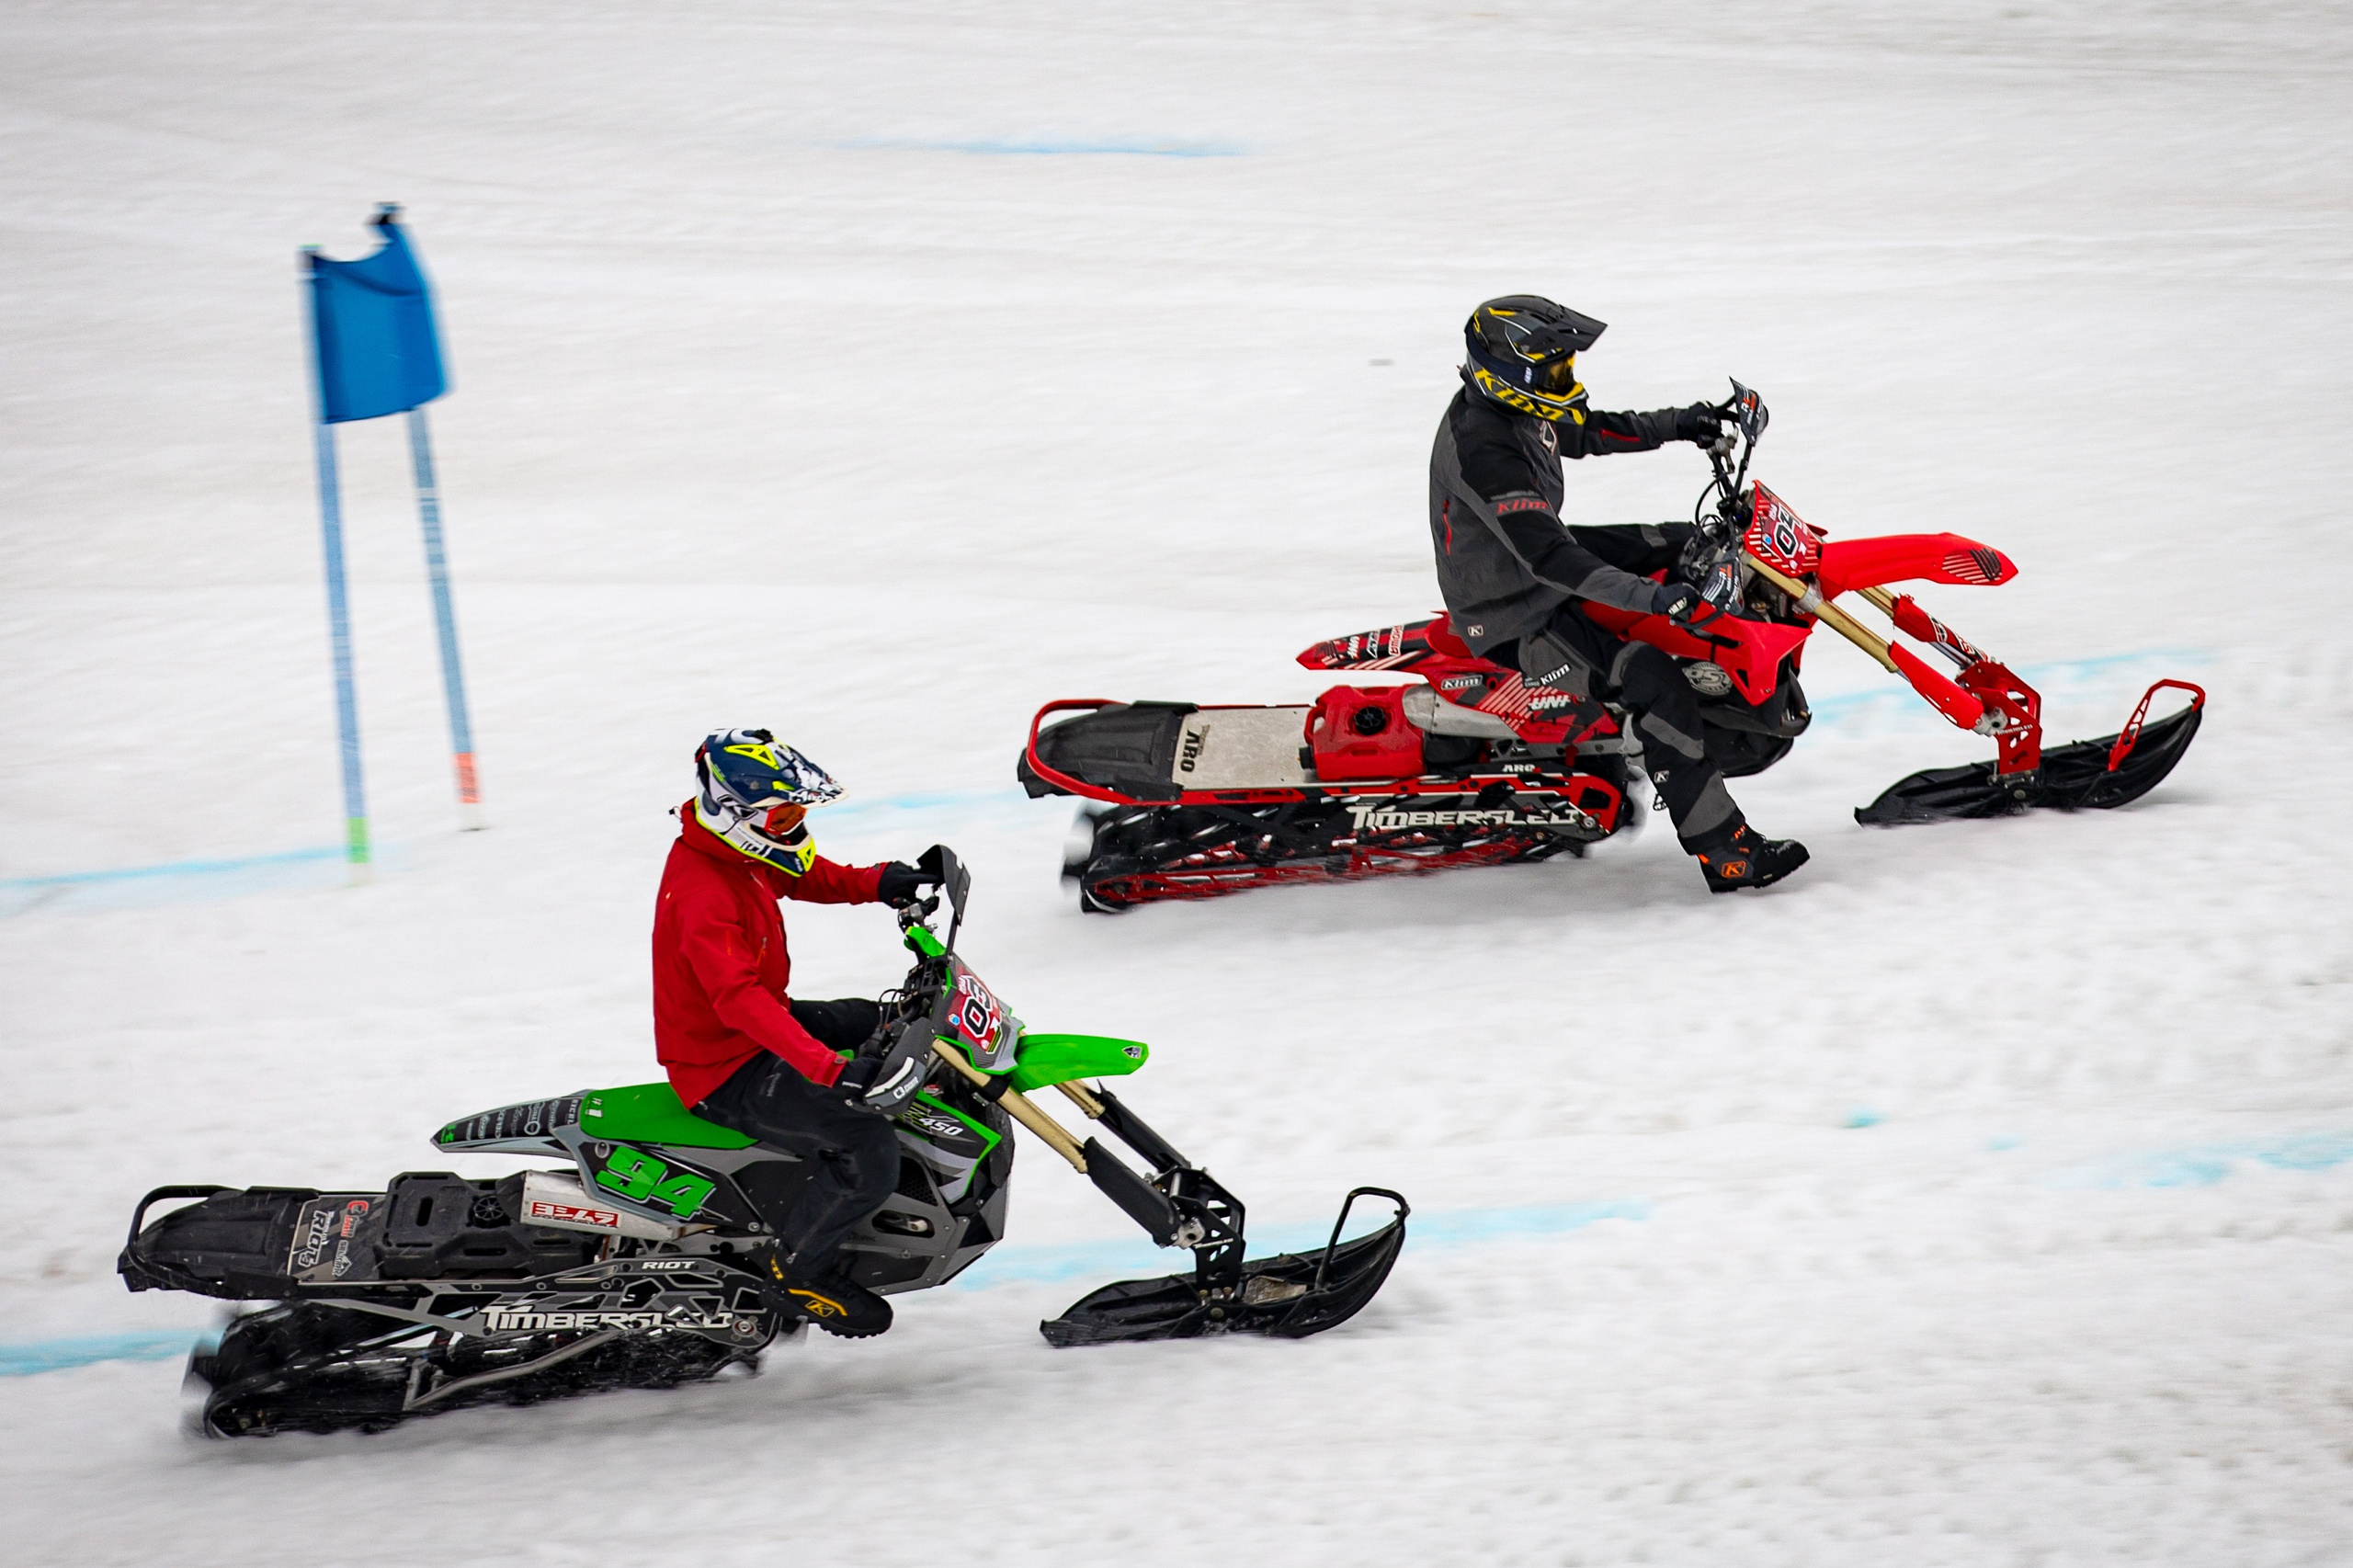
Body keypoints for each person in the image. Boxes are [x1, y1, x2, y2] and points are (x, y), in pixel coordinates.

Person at [1427, 295, 1808, 893]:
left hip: (1527, 561)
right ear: (1509, 375)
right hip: (1513, 611)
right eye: (1555, 371)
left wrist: (1687, 422)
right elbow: (1551, 559)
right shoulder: (1485, 449)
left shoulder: (1514, 413)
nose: (1567, 380)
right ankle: (1726, 851)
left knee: (1684, 540)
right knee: (1651, 675)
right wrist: (1656, 601)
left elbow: (1590, 431)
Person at [652, 726, 940, 1338]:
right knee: (867, 1148)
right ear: (735, 812)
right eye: (784, 813)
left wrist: (877, 882)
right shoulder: (704, 890)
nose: (794, 824)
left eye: (798, 811)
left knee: (879, 1020)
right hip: (725, 1067)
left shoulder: (737, 851)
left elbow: (802, 877)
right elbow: (737, 1000)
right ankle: (799, 1272)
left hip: (751, 1027)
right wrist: (830, 1069)